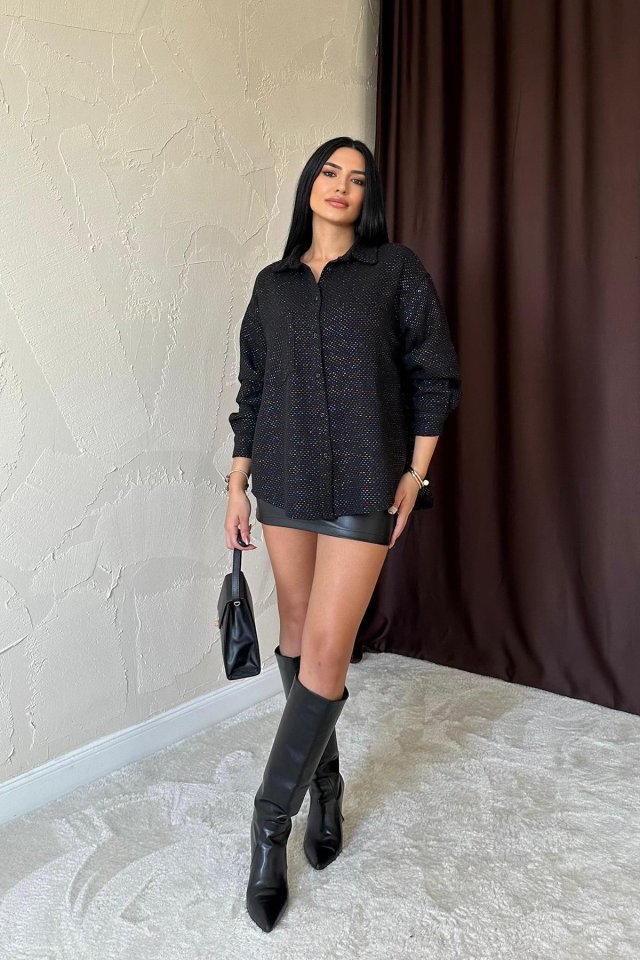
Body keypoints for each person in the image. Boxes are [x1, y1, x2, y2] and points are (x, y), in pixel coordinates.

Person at [225, 136, 462, 932]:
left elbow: (435, 375)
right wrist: (236, 484)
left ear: (369, 197)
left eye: (357, 179)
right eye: (329, 172)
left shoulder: (395, 272)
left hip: (365, 482)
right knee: (297, 641)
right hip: (284, 482)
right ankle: (324, 786)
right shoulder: (273, 286)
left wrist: (414, 475)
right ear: (309, 185)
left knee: (327, 653)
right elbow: (253, 388)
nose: (341, 186)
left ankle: (269, 828)